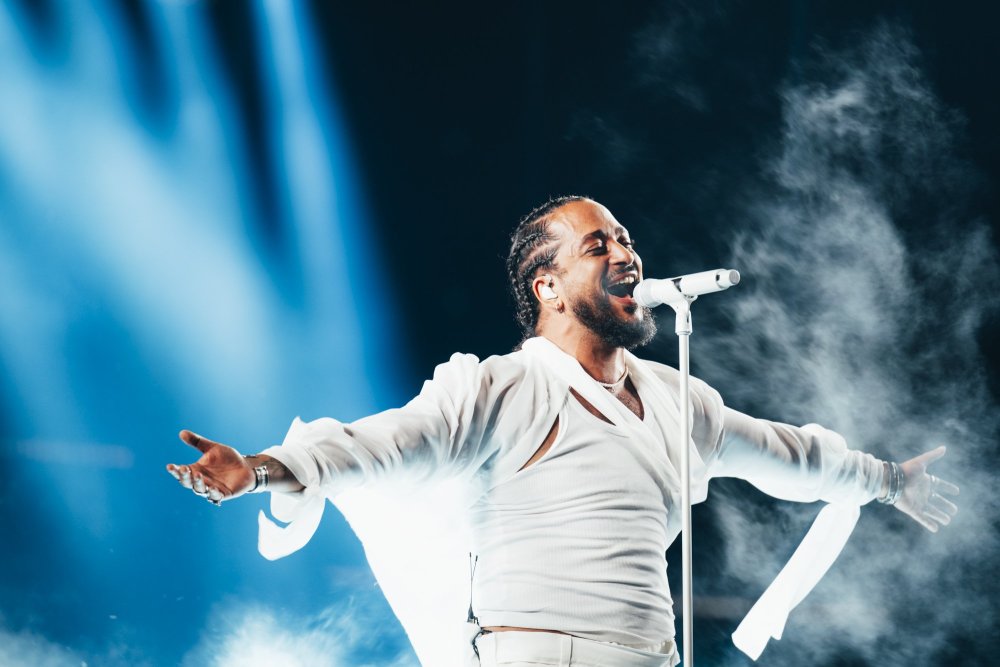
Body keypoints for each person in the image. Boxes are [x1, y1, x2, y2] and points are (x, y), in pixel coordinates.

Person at [166, 196, 959, 666]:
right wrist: (262, 469)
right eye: (599, 244)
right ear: (547, 285)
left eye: (627, 241)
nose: (627, 253)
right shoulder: (499, 386)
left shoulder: (682, 400)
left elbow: (795, 456)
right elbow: (378, 446)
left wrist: (886, 479)